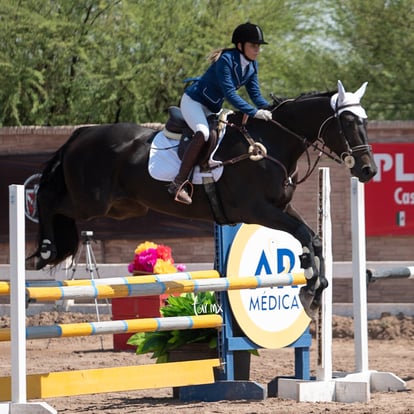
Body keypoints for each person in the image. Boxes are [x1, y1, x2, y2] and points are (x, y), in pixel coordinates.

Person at [168, 22, 272, 205]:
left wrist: (271, 109)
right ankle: (178, 183)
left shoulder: (251, 65)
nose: (257, 50)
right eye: (253, 45)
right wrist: (254, 112)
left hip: (212, 107)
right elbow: (230, 94)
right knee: (203, 133)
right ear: (240, 46)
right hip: (194, 102)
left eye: (258, 46)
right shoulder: (226, 60)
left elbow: (255, 94)